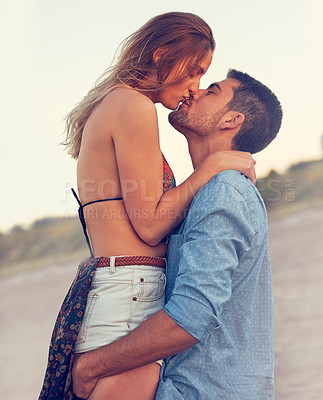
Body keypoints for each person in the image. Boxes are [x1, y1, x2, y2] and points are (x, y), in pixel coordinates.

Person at [39, 13, 256, 400]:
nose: (195, 87)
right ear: (162, 55)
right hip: (129, 296)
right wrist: (214, 166)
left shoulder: (118, 104)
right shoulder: (133, 106)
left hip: (126, 290)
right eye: (195, 71)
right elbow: (151, 225)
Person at [71, 69, 283, 400]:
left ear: (231, 120)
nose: (194, 91)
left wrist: (91, 366)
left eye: (211, 90)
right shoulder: (202, 193)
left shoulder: (223, 192)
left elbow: (192, 315)